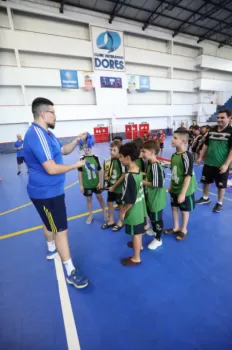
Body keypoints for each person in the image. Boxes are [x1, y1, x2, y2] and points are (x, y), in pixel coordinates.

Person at [23, 97, 89, 289]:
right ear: (43, 113)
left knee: (48, 222)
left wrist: (76, 140)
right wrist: (76, 165)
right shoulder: (37, 135)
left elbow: (62, 150)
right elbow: (51, 168)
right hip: (47, 193)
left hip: (49, 192)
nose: (55, 115)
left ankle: (51, 250)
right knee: (61, 230)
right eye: (53, 112)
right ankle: (70, 271)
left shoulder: (47, 134)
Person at [196, 109, 232, 213]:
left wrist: (226, 164)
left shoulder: (231, 132)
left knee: (221, 185)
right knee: (206, 181)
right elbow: (206, 145)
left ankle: (219, 202)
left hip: (221, 165)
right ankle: (205, 197)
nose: (219, 120)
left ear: (229, 119)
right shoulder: (212, 130)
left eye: (222, 117)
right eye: (218, 117)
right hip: (208, 163)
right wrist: (201, 157)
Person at [164, 129, 197, 240]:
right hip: (175, 188)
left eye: (175, 138)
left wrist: (183, 193)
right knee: (174, 208)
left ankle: (183, 229)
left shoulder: (187, 156)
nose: (172, 140)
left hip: (185, 190)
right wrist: (170, 186)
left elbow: (188, 176)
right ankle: (176, 227)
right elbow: (173, 172)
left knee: (184, 210)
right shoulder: (174, 155)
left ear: (183, 141)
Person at [119, 142, 147, 266]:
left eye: (121, 156)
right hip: (141, 208)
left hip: (133, 210)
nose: (120, 159)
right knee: (138, 231)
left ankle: (136, 258)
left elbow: (129, 201)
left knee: (135, 233)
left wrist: (122, 212)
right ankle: (139, 246)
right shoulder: (137, 169)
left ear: (128, 158)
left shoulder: (129, 176)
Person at [142, 140, 167, 250]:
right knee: (152, 217)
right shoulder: (151, 164)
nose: (142, 153)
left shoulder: (155, 166)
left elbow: (158, 184)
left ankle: (158, 238)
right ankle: (154, 230)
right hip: (151, 197)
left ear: (151, 152)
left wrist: (142, 182)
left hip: (156, 198)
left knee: (157, 219)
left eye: (144, 151)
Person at [78, 145, 107, 224]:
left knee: (99, 197)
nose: (86, 149)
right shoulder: (81, 159)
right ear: (82, 148)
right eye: (84, 147)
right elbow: (80, 173)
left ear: (91, 147)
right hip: (87, 184)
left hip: (96, 184)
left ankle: (104, 212)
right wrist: (81, 185)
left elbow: (100, 170)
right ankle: (90, 215)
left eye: (88, 147)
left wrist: (99, 182)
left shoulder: (96, 158)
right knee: (89, 199)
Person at [101, 140, 125, 231]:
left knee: (121, 204)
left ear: (119, 150)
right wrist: (105, 185)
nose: (111, 152)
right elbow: (107, 173)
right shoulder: (109, 161)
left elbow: (123, 174)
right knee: (110, 202)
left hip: (119, 188)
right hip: (110, 187)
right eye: (110, 150)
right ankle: (111, 220)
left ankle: (120, 221)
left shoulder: (121, 161)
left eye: (114, 150)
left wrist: (114, 186)